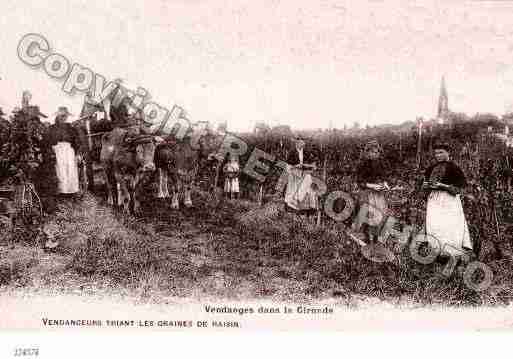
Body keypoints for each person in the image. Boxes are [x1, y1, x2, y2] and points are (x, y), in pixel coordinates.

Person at [421, 142, 473, 258]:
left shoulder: (454, 168)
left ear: (448, 153)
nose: (438, 155)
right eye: (436, 153)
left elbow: (459, 188)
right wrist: (425, 186)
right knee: (435, 224)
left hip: (449, 200)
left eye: (441, 152)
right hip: (434, 200)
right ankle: (437, 251)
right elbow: (424, 185)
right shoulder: (431, 168)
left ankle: (451, 253)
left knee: (449, 225)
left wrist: (442, 186)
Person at [354, 139, 390, 243]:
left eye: (378, 152)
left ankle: (376, 238)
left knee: (380, 215)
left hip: (378, 195)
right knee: (368, 216)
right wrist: (372, 186)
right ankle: (366, 238)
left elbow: (383, 177)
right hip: (367, 194)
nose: (376, 154)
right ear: (368, 152)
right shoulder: (362, 164)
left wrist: (385, 184)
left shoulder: (380, 163)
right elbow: (360, 182)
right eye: (374, 152)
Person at [44, 106, 81, 196]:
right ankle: (62, 190)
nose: (63, 118)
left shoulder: (71, 128)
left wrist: (77, 152)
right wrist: (51, 151)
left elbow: (76, 140)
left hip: (69, 150)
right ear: (58, 116)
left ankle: (72, 190)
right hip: (57, 150)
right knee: (60, 169)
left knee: (71, 168)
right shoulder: (52, 128)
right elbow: (47, 141)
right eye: (61, 116)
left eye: (65, 116)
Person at [284, 138, 318, 214]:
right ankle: (289, 207)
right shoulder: (291, 152)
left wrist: (312, 165)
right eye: (301, 144)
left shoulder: (305, 152)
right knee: (292, 189)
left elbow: (311, 160)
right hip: (294, 172)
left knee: (304, 188)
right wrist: (296, 166)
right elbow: (288, 165)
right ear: (297, 144)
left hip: (302, 172)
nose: (303, 146)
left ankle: (303, 207)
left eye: (303, 144)